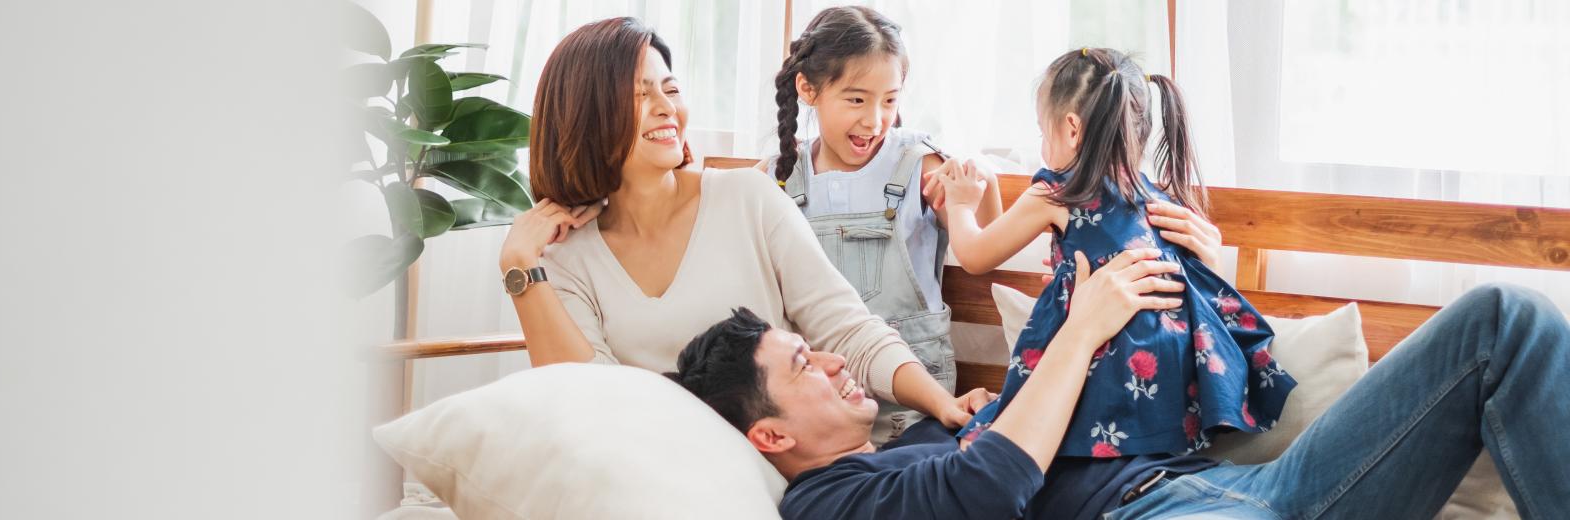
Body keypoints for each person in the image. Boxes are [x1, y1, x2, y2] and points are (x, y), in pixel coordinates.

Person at [668, 252, 1570, 518]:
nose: (832, 359)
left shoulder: (913, 442)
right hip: (1152, 518)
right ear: (771, 438)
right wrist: (1084, 322)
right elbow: (987, 489)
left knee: (1502, 316)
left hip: (1234, 485)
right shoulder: (829, 507)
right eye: (803, 365)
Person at [496, 17, 975, 429]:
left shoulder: (747, 195)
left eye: (671, 88)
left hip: (782, 462)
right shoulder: (566, 258)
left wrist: (942, 403)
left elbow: (848, 329)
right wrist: (520, 267)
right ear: (586, 115)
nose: (667, 107)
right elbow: (589, 400)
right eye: (640, 95)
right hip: (662, 473)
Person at [939, 47, 1295, 457]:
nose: (1042, 144)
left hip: (1103, 370)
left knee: (1000, 435)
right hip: (1169, 387)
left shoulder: (1058, 193)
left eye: (1042, 130)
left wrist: (961, 204)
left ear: (1072, 129)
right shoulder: (1160, 199)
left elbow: (977, 255)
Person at [755, 5, 1006, 443]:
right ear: (808, 89)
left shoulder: (920, 164)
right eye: (856, 99)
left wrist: (984, 184)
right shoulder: (775, 179)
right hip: (817, 408)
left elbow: (981, 251)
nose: (874, 120)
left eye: (889, 100)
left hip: (916, 409)